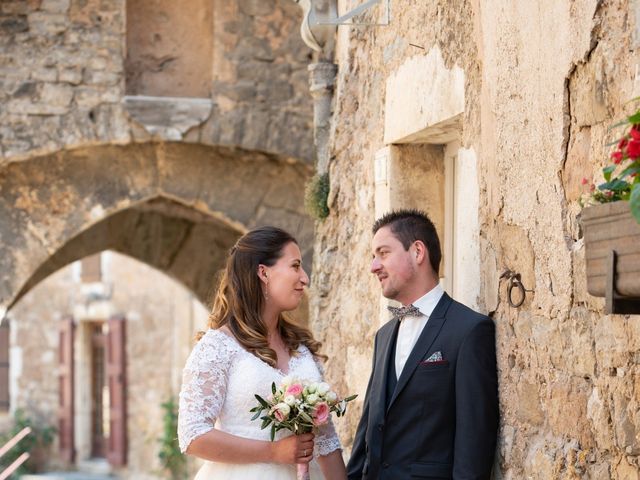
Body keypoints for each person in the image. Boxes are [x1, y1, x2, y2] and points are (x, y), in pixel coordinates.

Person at [178, 226, 347, 480]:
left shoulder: (301, 349)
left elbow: (327, 442)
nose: (305, 278)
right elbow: (193, 435)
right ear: (263, 272)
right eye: (295, 266)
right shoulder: (217, 347)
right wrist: (273, 451)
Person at [347, 209, 499, 480]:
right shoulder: (383, 336)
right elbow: (367, 434)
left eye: (383, 253)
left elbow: (473, 445)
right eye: (373, 256)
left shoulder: (468, 330)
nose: (373, 266)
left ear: (418, 252)